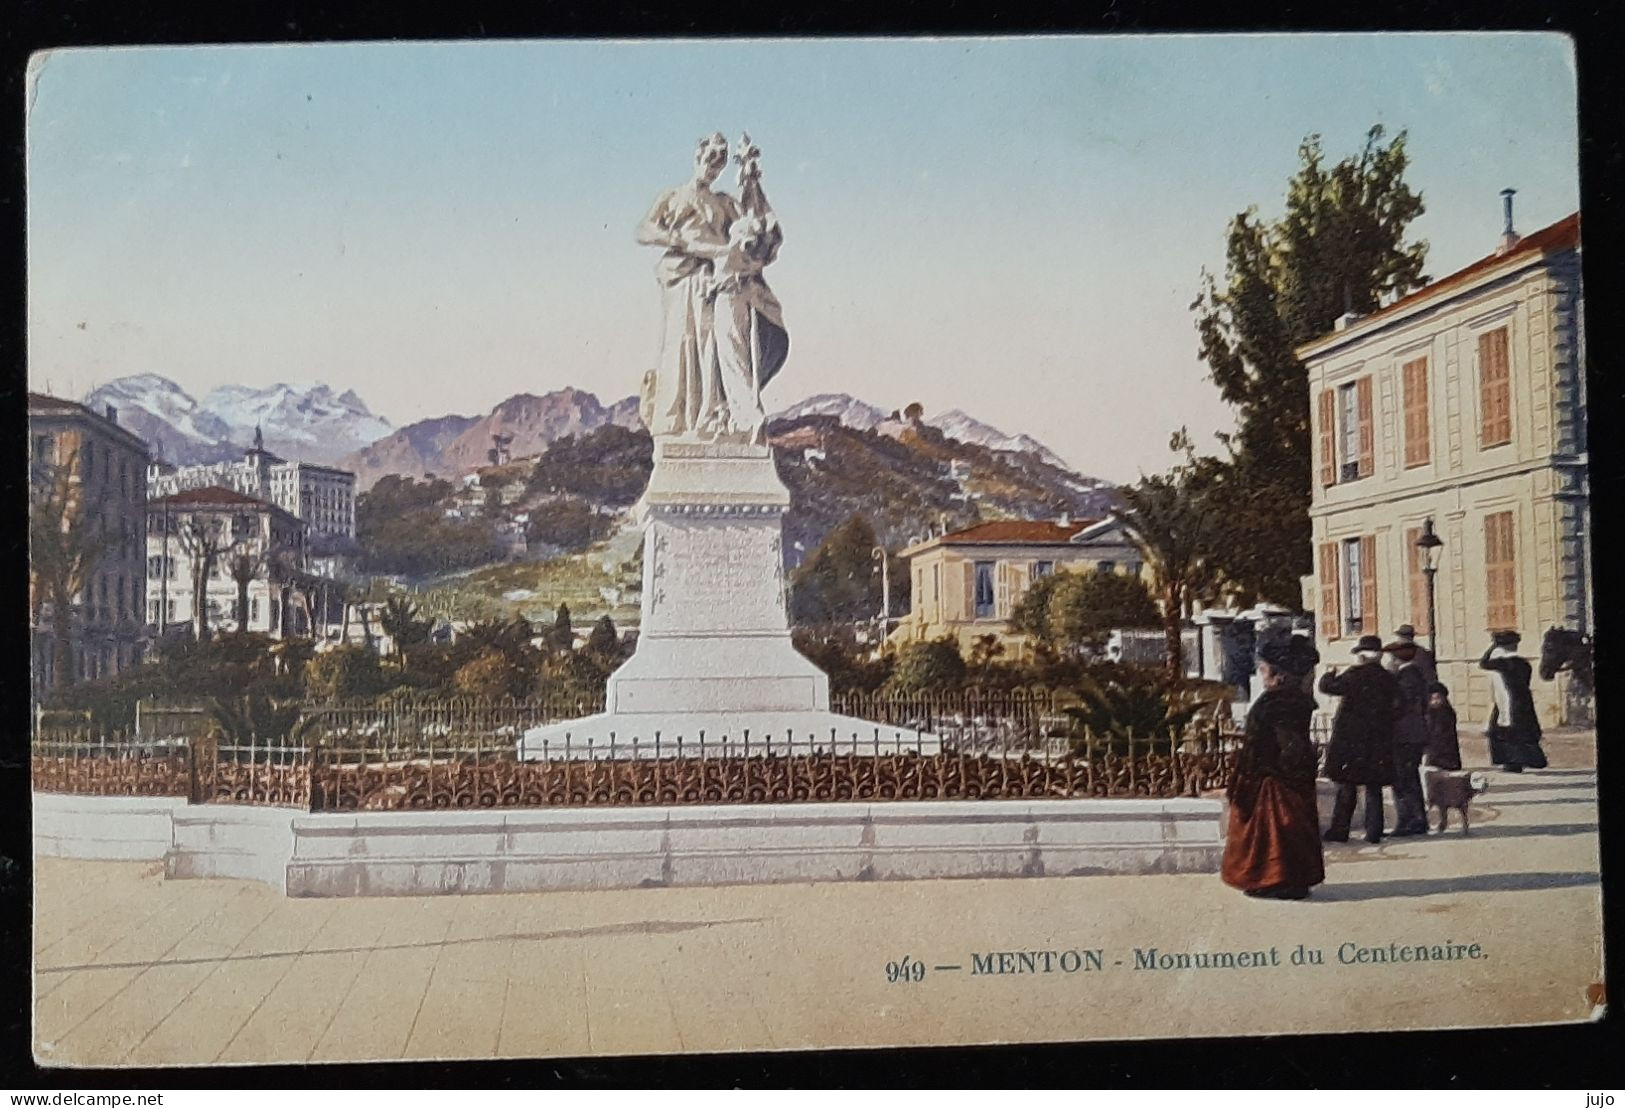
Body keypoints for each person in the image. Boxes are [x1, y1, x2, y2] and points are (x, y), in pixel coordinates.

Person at [636, 133, 789, 444]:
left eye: (720, 163)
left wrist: (750, 179)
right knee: (684, 344)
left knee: (712, 349)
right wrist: (681, 241)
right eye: (710, 159)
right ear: (697, 156)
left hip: (715, 279)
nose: (713, 167)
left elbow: (754, 223)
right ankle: (681, 422)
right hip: (683, 279)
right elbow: (644, 230)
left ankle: (713, 417)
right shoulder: (673, 196)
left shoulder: (722, 202)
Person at [1221, 636, 1326, 900]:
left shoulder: (1277, 702)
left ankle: (1276, 881)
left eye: (1265, 669)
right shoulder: (1290, 699)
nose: (1261, 673)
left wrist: (1281, 768)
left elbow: (1289, 743)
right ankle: (1282, 881)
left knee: (1275, 833)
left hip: (1272, 779)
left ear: (1278, 674)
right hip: (1276, 775)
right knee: (1281, 833)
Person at [1318, 634, 1398, 844]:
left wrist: (1328, 674)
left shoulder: (1355, 675)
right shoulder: (1388, 678)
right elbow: (1398, 705)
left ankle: (1340, 830)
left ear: (1361, 656)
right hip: (1378, 739)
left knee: (1347, 786)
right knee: (1374, 788)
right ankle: (1374, 832)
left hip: (1352, 740)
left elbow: (1328, 687)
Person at [1480, 629, 1547, 772]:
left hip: (1508, 701)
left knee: (1508, 733)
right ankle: (1523, 761)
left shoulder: (1505, 662)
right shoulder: (1523, 663)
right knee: (1522, 732)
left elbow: (1483, 663)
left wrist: (1492, 646)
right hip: (1522, 701)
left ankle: (1512, 762)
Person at [1386, 639, 1431, 836]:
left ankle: (1409, 821)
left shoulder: (1406, 677)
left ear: (1397, 659)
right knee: (1409, 777)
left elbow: (1399, 706)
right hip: (1415, 733)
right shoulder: (1415, 675)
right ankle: (1416, 819)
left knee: (1403, 779)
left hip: (1404, 735)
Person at [1424, 682, 1463, 771]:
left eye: (1438, 698)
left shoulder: (1446, 712)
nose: (1435, 701)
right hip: (1434, 752)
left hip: (1446, 751)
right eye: (1433, 699)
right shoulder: (1429, 712)